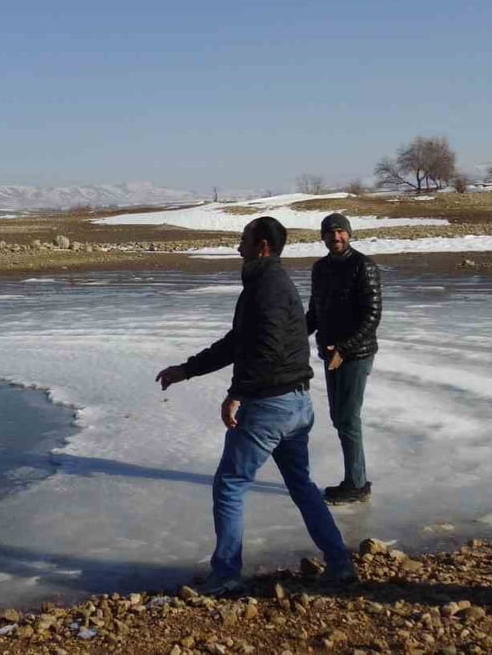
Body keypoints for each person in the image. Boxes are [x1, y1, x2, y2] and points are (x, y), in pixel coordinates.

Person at [156, 216, 355, 594]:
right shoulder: (270, 284)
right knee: (301, 485)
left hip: (271, 405)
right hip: (297, 404)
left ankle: (226, 575)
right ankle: (340, 563)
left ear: (262, 246)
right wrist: (187, 370)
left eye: (243, 239)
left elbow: (267, 348)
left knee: (230, 485)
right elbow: (238, 342)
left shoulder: (268, 287)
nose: (238, 247)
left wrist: (238, 393)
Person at [306, 213, 382, 505]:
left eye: (340, 232)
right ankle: (355, 479)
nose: (335, 237)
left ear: (349, 235)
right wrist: (288, 338)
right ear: (322, 237)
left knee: (348, 418)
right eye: (329, 233)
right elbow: (315, 314)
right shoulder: (320, 268)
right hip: (329, 353)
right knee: (340, 417)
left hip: (355, 354)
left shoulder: (363, 266)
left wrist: (345, 348)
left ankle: (357, 483)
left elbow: (372, 316)